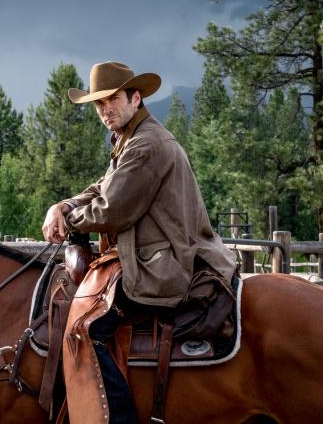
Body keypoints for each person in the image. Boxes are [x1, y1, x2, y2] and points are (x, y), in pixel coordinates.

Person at [41, 61, 236, 424]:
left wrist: (67, 221)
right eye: (98, 104)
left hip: (162, 263)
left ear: (135, 97)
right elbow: (104, 187)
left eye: (112, 99)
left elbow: (113, 209)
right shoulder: (129, 139)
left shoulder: (147, 143)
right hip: (151, 254)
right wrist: (64, 205)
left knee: (88, 329)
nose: (104, 110)